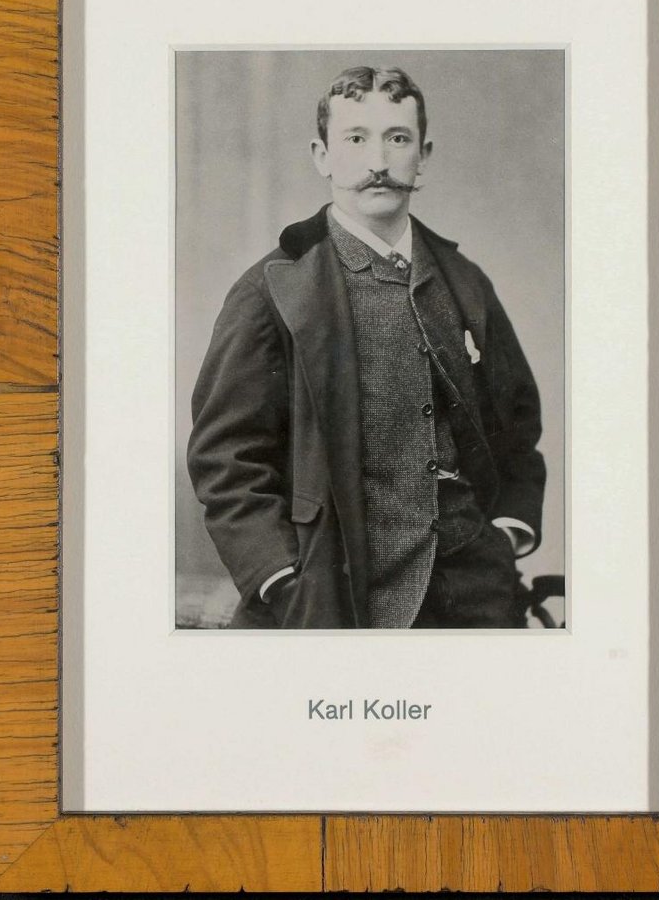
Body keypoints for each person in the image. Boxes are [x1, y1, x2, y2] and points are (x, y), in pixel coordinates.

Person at [187, 66, 546, 629]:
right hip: (336, 593)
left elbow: (517, 424)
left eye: (397, 138)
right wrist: (282, 578)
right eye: (355, 139)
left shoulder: (464, 281)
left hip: (473, 596)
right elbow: (225, 459)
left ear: (423, 156)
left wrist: (506, 535)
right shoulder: (273, 289)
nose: (378, 160)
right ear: (322, 156)